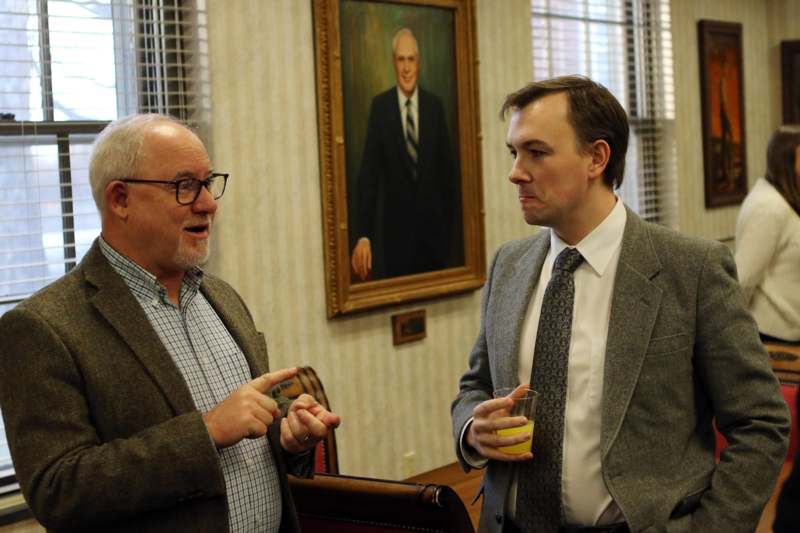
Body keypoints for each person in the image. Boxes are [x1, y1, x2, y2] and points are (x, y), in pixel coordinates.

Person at [451, 76, 790, 533]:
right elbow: (476, 385)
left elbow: (760, 422)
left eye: (537, 152)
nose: (516, 171)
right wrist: (474, 429)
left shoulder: (690, 270)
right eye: (514, 153)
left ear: (596, 157)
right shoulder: (509, 266)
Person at [0, 114, 340, 532]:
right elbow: (58, 489)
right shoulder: (42, 328)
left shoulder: (222, 297)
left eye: (208, 182)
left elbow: (245, 430)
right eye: (184, 186)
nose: (208, 203)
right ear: (120, 199)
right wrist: (206, 431)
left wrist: (289, 431)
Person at [350, 27, 457, 280]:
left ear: (418, 63)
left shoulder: (434, 107)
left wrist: (448, 236)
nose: (406, 67)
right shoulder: (380, 108)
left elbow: (448, 178)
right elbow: (369, 178)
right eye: (401, 59)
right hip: (396, 244)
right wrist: (363, 234)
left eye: (411, 59)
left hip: (435, 244)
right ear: (393, 62)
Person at [734, 126, 800, 343]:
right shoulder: (769, 208)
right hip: (774, 338)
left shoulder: (782, 201)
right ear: (786, 163)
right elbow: (742, 280)